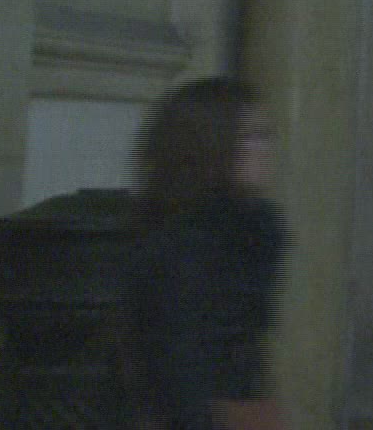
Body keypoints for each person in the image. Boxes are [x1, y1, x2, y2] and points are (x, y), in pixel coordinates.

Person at [123, 76, 288, 430]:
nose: (265, 149)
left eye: (266, 135)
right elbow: (177, 357)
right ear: (212, 144)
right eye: (251, 137)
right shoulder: (183, 243)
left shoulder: (253, 231)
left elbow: (246, 347)